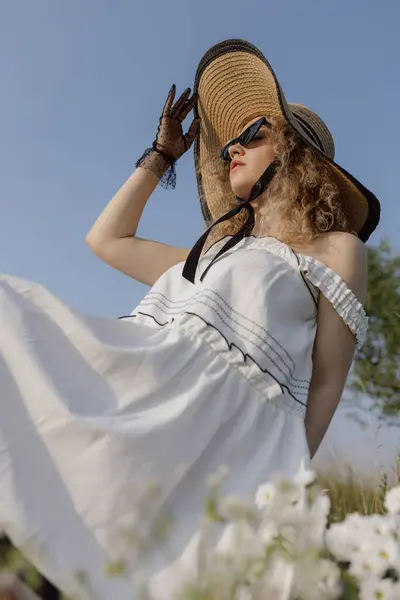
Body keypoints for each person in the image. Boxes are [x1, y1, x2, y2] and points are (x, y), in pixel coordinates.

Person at [0, 39, 380, 600]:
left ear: (298, 153)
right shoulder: (214, 251)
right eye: (228, 141)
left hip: (218, 440)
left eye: (252, 132)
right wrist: (160, 157)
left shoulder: (335, 251)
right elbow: (106, 240)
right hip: (135, 387)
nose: (230, 148)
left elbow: (324, 383)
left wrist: (282, 490)